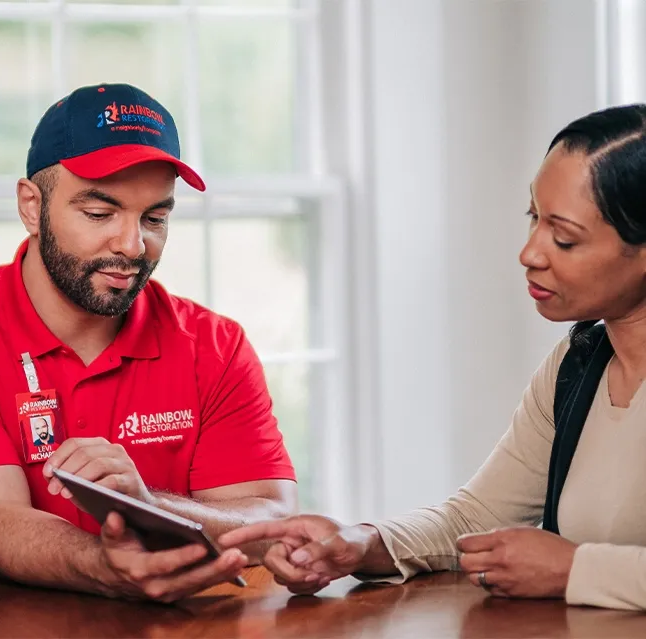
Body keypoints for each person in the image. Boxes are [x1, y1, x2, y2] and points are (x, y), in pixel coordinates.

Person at [220, 104, 646, 611]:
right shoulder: (577, 366)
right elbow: (473, 519)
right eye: (534, 217)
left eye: (564, 237)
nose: (530, 252)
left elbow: (569, 567)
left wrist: (576, 569)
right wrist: (359, 544)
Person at [0, 83, 297, 602]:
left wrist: (149, 503)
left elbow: (269, 513)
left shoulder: (214, 346)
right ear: (31, 206)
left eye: (155, 218)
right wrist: (102, 563)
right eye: (99, 214)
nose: (132, 246)